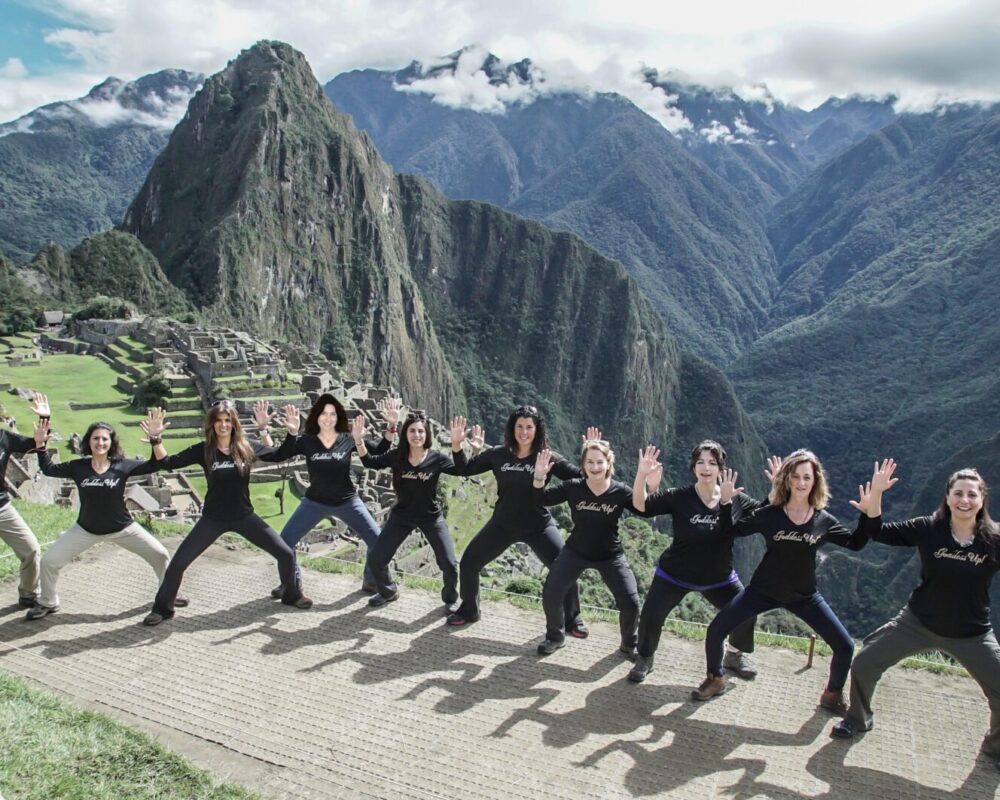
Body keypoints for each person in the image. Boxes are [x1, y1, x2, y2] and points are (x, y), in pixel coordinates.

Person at [832, 464, 1000, 770]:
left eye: (971, 494)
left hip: (972, 633)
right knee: (864, 663)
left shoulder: (995, 539)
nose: (965, 499)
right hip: (918, 623)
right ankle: (858, 719)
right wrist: (878, 495)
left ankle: (995, 747)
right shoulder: (929, 528)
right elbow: (878, 532)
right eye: (958, 493)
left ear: (981, 499)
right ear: (948, 498)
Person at [692, 450, 869, 710]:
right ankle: (715, 679)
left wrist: (869, 514)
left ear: (815, 481)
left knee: (844, 645)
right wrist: (727, 503)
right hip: (762, 590)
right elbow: (732, 531)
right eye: (795, 476)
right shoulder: (771, 514)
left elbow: (856, 542)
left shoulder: (823, 521)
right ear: (786, 479)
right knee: (716, 630)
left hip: (805, 595)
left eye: (806, 477)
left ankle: (832, 694)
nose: (801, 483)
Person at [142, 400, 309, 626]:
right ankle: (162, 609)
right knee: (179, 563)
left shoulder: (245, 446)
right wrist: (156, 439)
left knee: (286, 554)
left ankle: (292, 595)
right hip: (213, 519)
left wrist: (291, 432)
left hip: (244, 516)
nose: (223, 425)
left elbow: (279, 455)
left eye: (227, 420)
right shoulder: (203, 450)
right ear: (211, 424)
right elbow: (168, 463)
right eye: (218, 421)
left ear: (234, 423)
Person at [627, 443, 781, 683]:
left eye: (712, 463)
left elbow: (766, 515)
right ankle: (645, 657)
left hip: (719, 579)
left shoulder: (735, 500)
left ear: (721, 468)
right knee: (651, 616)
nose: (706, 468)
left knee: (747, 611)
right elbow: (641, 506)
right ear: (693, 467)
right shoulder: (680, 496)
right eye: (700, 462)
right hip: (674, 574)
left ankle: (734, 654)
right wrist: (642, 474)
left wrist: (777, 487)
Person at [444, 405, 592, 630]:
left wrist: (589, 453)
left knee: (566, 568)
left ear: (537, 430)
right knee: (469, 562)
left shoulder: (548, 457)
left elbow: (582, 479)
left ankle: (572, 618)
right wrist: (456, 444)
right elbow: (465, 469)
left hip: (538, 525)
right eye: (519, 426)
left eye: (529, 427)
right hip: (503, 524)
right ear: (512, 429)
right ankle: (470, 609)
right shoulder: (498, 454)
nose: (524, 432)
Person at [26, 410, 178, 619]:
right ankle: (48, 602)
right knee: (48, 562)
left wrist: (155, 439)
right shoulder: (78, 467)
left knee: (160, 555)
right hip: (86, 529)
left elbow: (155, 464)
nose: (100, 442)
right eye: (96, 438)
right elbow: (49, 469)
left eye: (105, 439)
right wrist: (41, 446)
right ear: (88, 442)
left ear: (111, 443)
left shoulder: (122, 465)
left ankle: (167, 595)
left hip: (123, 528)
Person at [259, 394, 399, 597]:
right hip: (314, 502)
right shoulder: (306, 441)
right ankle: (290, 583)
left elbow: (379, 451)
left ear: (338, 417)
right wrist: (269, 429)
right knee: (285, 542)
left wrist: (391, 426)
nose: (328, 418)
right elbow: (276, 454)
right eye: (323, 413)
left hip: (348, 501)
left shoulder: (348, 439)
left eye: (332, 414)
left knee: (378, 542)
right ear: (316, 417)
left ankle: (371, 580)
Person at [532, 441, 641, 657]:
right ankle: (555, 636)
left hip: (610, 555)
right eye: (589, 462)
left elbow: (645, 509)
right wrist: (539, 477)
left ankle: (629, 643)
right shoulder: (573, 487)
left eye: (600, 462)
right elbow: (540, 499)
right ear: (582, 465)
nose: (595, 467)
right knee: (551, 593)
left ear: (608, 463)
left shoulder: (620, 492)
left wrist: (648, 482)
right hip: (576, 551)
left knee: (630, 602)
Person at [354, 412, 467, 609]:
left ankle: (450, 600)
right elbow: (370, 462)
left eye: (421, 431)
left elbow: (462, 469)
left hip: (430, 516)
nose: (417, 435)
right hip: (402, 515)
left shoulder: (437, 458)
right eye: (412, 430)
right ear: (405, 434)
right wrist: (358, 440)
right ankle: (388, 591)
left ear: (427, 434)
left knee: (449, 564)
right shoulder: (397, 456)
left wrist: (457, 445)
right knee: (376, 559)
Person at [0, 393, 49, 608]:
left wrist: (44, 418)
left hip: (2, 507)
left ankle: (28, 594)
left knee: (31, 549)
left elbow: (36, 444)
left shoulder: (4, 438)